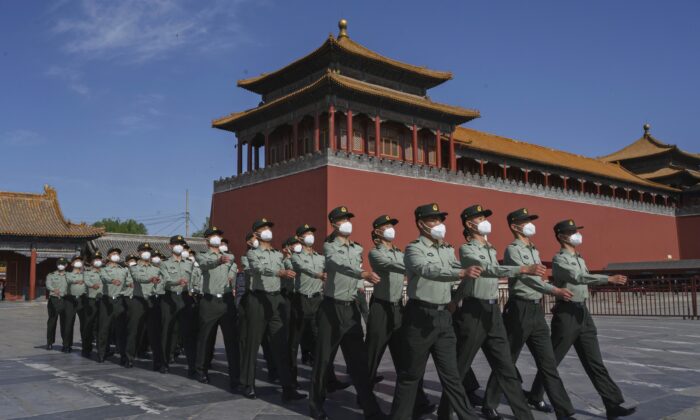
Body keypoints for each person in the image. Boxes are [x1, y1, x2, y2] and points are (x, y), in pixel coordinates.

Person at [528, 219, 637, 419]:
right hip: (567, 315)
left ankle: (612, 404)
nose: (577, 234)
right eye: (572, 232)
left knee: (595, 362)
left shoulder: (579, 257)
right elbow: (578, 277)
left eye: (576, 231)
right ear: (561, 236)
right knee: (552, 361)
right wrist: (607, 279)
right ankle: (536, 395)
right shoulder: (559, 259)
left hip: (583, 314)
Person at [438, 204, 539, 420]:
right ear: (469, 223)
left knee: (506, 366)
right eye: (479, 217)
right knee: (460, 366)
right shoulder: (467, 249)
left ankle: (524, 416)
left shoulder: (491, 249)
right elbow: (488, 270)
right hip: (474, 311)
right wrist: (521, 269)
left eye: (485, 216)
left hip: (493, 311)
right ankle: (445, 413)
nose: (484, 220)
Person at [481, 208, 576, 420]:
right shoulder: (512, 250)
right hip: (519, 309)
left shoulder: (533, 249)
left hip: (536, 310)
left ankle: (564, 411)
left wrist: (548, 288)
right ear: (515, 226)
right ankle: (489, 403)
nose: (529, 224)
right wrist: (555, 291)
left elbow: (539, 279)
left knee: (548, 362)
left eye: (529, 220)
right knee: (508, 360)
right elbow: (527, 279)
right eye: (525, 222)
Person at [389, 203, 480, 420]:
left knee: (452, 376)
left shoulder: (447, 249)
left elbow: (460, 270)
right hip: (420, 316)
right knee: (410, 375)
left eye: (440, 219)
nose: (439, 224)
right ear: (421, 223)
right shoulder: (413, 249)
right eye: (433, 220)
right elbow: (428, 270)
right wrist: (460, 273)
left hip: (443, 319)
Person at [309, 206, 383, 420]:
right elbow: (336, 264)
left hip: (350, 309)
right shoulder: (329, 246)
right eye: (342, 219)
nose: (347, 222)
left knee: (358, 363)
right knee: (324, 360)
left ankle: (371, 409)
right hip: (331, 309)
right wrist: (362, 273)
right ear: (334, 223)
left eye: (348, 218)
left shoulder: (356, 248)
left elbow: (355, 273)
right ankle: (315, 404)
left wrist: (362, 279)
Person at [366, 214, 435, 417]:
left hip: (398, 309)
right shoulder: (375, 253)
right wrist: (420, 264)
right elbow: (397, 267)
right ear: (377, 231)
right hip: (380, 309)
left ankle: (418, 401)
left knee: (406, 360)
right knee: (372, 357)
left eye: (391, 225)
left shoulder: (399, 252)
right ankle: (364, 397)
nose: (390, 229)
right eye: (386, 226)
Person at [240, 219, 305, 402]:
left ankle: (287, 387)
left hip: (276, 299)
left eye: (269, 227)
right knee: (253, 343)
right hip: (258, 299)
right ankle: (248, 384)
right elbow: (258, 269)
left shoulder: (278, 254)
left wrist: (292, 260)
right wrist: (279, 273)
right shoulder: (252, 254)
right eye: (263, 228)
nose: (268, 231)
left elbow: (289, 269)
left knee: (280, 344)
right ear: (256, 234)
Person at [194, 227, 239, 389]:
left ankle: (235, 374)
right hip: (209, 301)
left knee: (232, 339)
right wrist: (218, 261)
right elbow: (205, 265)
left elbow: (233, 269)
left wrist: (230, 275)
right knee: (206, 338)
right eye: (213, 236)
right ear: (207, 240)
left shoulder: (229, 256)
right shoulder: (202, 256)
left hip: (226, 301)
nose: (217, 238)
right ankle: (201, 370)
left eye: (219, 236)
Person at [289, 224, 325, 388]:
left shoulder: (320, 257)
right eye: (306, 233)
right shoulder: (296, 257)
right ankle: (291, 379)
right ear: (299, 238)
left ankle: (324, 378)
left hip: (317, 301)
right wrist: (318, 274)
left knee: (320, 340)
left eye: (311, 232)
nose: (310, 235)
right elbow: (303, 268)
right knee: (295, 341)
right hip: (301, 300)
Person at [160, 235, 196, 374]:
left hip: (185, 297)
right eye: (176, 243)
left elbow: (194, 279)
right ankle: (165, 362)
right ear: (170, 246)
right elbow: (166, 280)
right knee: (167, 331)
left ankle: (192, 365)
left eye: (181, 243)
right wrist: (177, 282)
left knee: (188, 332)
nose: (179, 246)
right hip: (170, 298)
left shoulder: (189, 263)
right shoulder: (165, 263)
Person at [126, 243, 163, 371]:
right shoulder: (134, 267)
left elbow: (161, 282)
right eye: (144, 250)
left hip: (152, 300)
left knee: (154, 332)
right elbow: (138, 277)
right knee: (134, 330)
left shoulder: (156, 268)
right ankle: (129, 358)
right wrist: (150, 279)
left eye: (148, 250)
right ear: (139, 253)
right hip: (138, 301)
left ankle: (157, 362)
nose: (146, 252)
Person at [97, 248, 129, 363]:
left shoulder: (124, 270)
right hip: (107, 300)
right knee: (104, 328)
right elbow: (104, 278)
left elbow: (128, 282)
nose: (116, 256)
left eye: (118, 254)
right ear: (108, 256)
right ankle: (102, 353)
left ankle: (123, 355)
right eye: (113, 254)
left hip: (119, 300)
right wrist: (112, 281)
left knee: (121, 330)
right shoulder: (104, 270)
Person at [82, 252, 104, 357]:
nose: (98, 261)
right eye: (95, 259)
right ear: (91, 262)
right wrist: (92, 285)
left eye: (99, 259)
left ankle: (102, 349)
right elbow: (86, 281)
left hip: (103, 301)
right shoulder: (87, 272)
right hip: (91, 300)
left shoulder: (105, 272)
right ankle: (86, 349)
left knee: (101, 326)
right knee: (89, 325)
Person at [63, 255, 86, 353]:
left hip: (82, 299)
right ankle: (67, 345)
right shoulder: (68, 274)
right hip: (70, 300)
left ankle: (86, 345)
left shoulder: (86, 275)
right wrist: (76, 281)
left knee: (84, 324)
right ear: (72, 263)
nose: (78, 262)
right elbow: (68, 280)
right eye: (76, 261)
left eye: (80, 261)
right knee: (68, 323)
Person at [46, 258, 69, 351]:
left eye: (63, 263)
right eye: (59, 263)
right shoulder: (51, 275)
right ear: (56, 264)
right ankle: (50, 342)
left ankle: (66, 344)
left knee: (65, 323)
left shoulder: (69, 276)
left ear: (66, 265)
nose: (61, 265)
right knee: (52, 322)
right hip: (54, 300)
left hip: (65, 300)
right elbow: (48, 284)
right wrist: (53, 289)